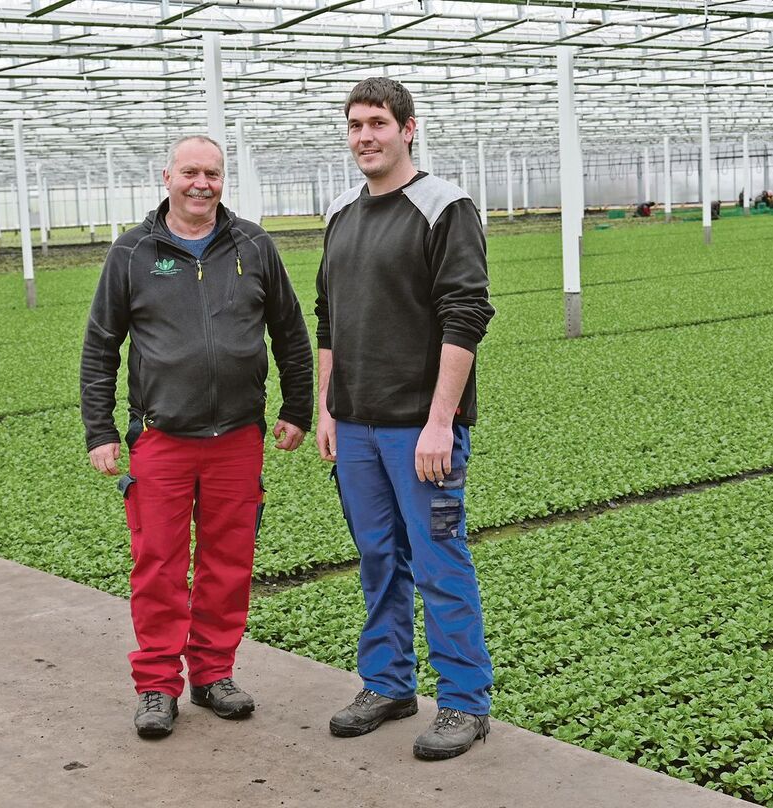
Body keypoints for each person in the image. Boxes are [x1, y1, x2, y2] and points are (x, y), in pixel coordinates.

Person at [80, 135, 313, 739]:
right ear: (167, 177)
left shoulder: (253, 245)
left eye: (212, 173)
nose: (201, 184)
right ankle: (157, 686)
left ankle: (213, 674)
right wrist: (100, 430)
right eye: (190, 172)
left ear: (222, 180)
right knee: (158, 564)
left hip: (237, 436)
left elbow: (290, 331)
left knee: (228, 563)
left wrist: (298, 407)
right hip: (162, 438)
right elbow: (101, 345)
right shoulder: (133, 252)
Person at [315, 77, 497, 761]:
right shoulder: (341, 212)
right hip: (356, 428)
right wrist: (328, 407)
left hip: (420, 433)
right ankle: (388, 684)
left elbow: (466, 314)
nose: (365, 136)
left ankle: (464, 702)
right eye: (355, 125)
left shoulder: (444, 207)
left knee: (439, 558)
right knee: (377, 559)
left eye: (378, 124)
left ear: (408, 129)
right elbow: (328, 319)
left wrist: (439, 421)